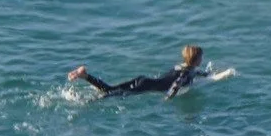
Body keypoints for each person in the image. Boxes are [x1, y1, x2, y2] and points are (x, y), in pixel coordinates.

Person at [70, 44, 208, 99]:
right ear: (196, 60)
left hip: (144, 80)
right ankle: (86, 101)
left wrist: (206, 74)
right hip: (147, 86)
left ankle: (85, 75)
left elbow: (191, 73)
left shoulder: (181, 67)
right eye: (201, 57)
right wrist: (169, 98)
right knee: (111, 95)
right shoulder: (187, 73)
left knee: (110, 89)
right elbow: (177, 83)